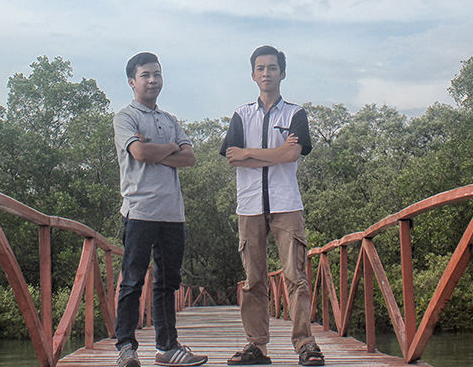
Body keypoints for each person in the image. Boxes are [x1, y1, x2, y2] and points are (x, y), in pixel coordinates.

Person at [220, 46, 324, 367]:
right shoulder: (242, 114)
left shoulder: (295, 114)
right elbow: (231, 156)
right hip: (249, 205)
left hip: (286, 204)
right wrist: (276, 152)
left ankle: (305, 344)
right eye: (261, 68)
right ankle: (257, 346)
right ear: (253, 75)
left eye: (273, 67)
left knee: (296, 276)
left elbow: (293, 155)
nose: (267, 73)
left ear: (282, 73)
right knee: (253, 280)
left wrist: (255, 154)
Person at [113, 52, 208, 367]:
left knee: (168, 282)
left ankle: (167, 348)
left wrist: (158, 150)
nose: (152, 80)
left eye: (157, 74)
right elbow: (138, 151)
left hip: (173, 214)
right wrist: (170, 148)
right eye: (145, 75)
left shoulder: (170, 120)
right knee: (132, 281)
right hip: (139, 211)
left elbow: (190, 158)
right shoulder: (125, 117)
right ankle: (126, 348)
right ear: (132, 81)